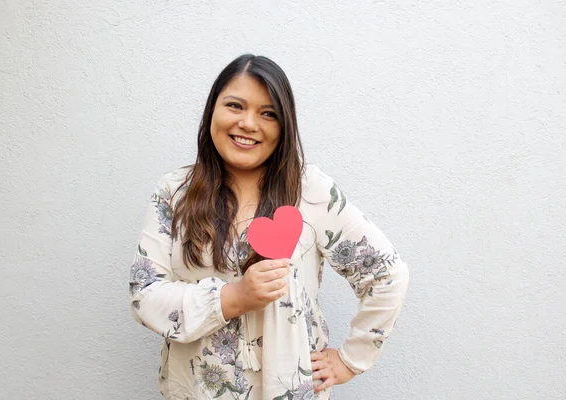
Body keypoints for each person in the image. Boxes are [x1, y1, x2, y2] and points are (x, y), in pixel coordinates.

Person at [128, 54, 409, 400]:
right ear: (211, 111)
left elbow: (387, 274)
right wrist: (232, 298)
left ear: (284, 125)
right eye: (235, 105)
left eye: (268, 113)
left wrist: (350, 360)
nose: (248, 123)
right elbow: (145, 294)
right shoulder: (174, 193)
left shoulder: (311, 191)